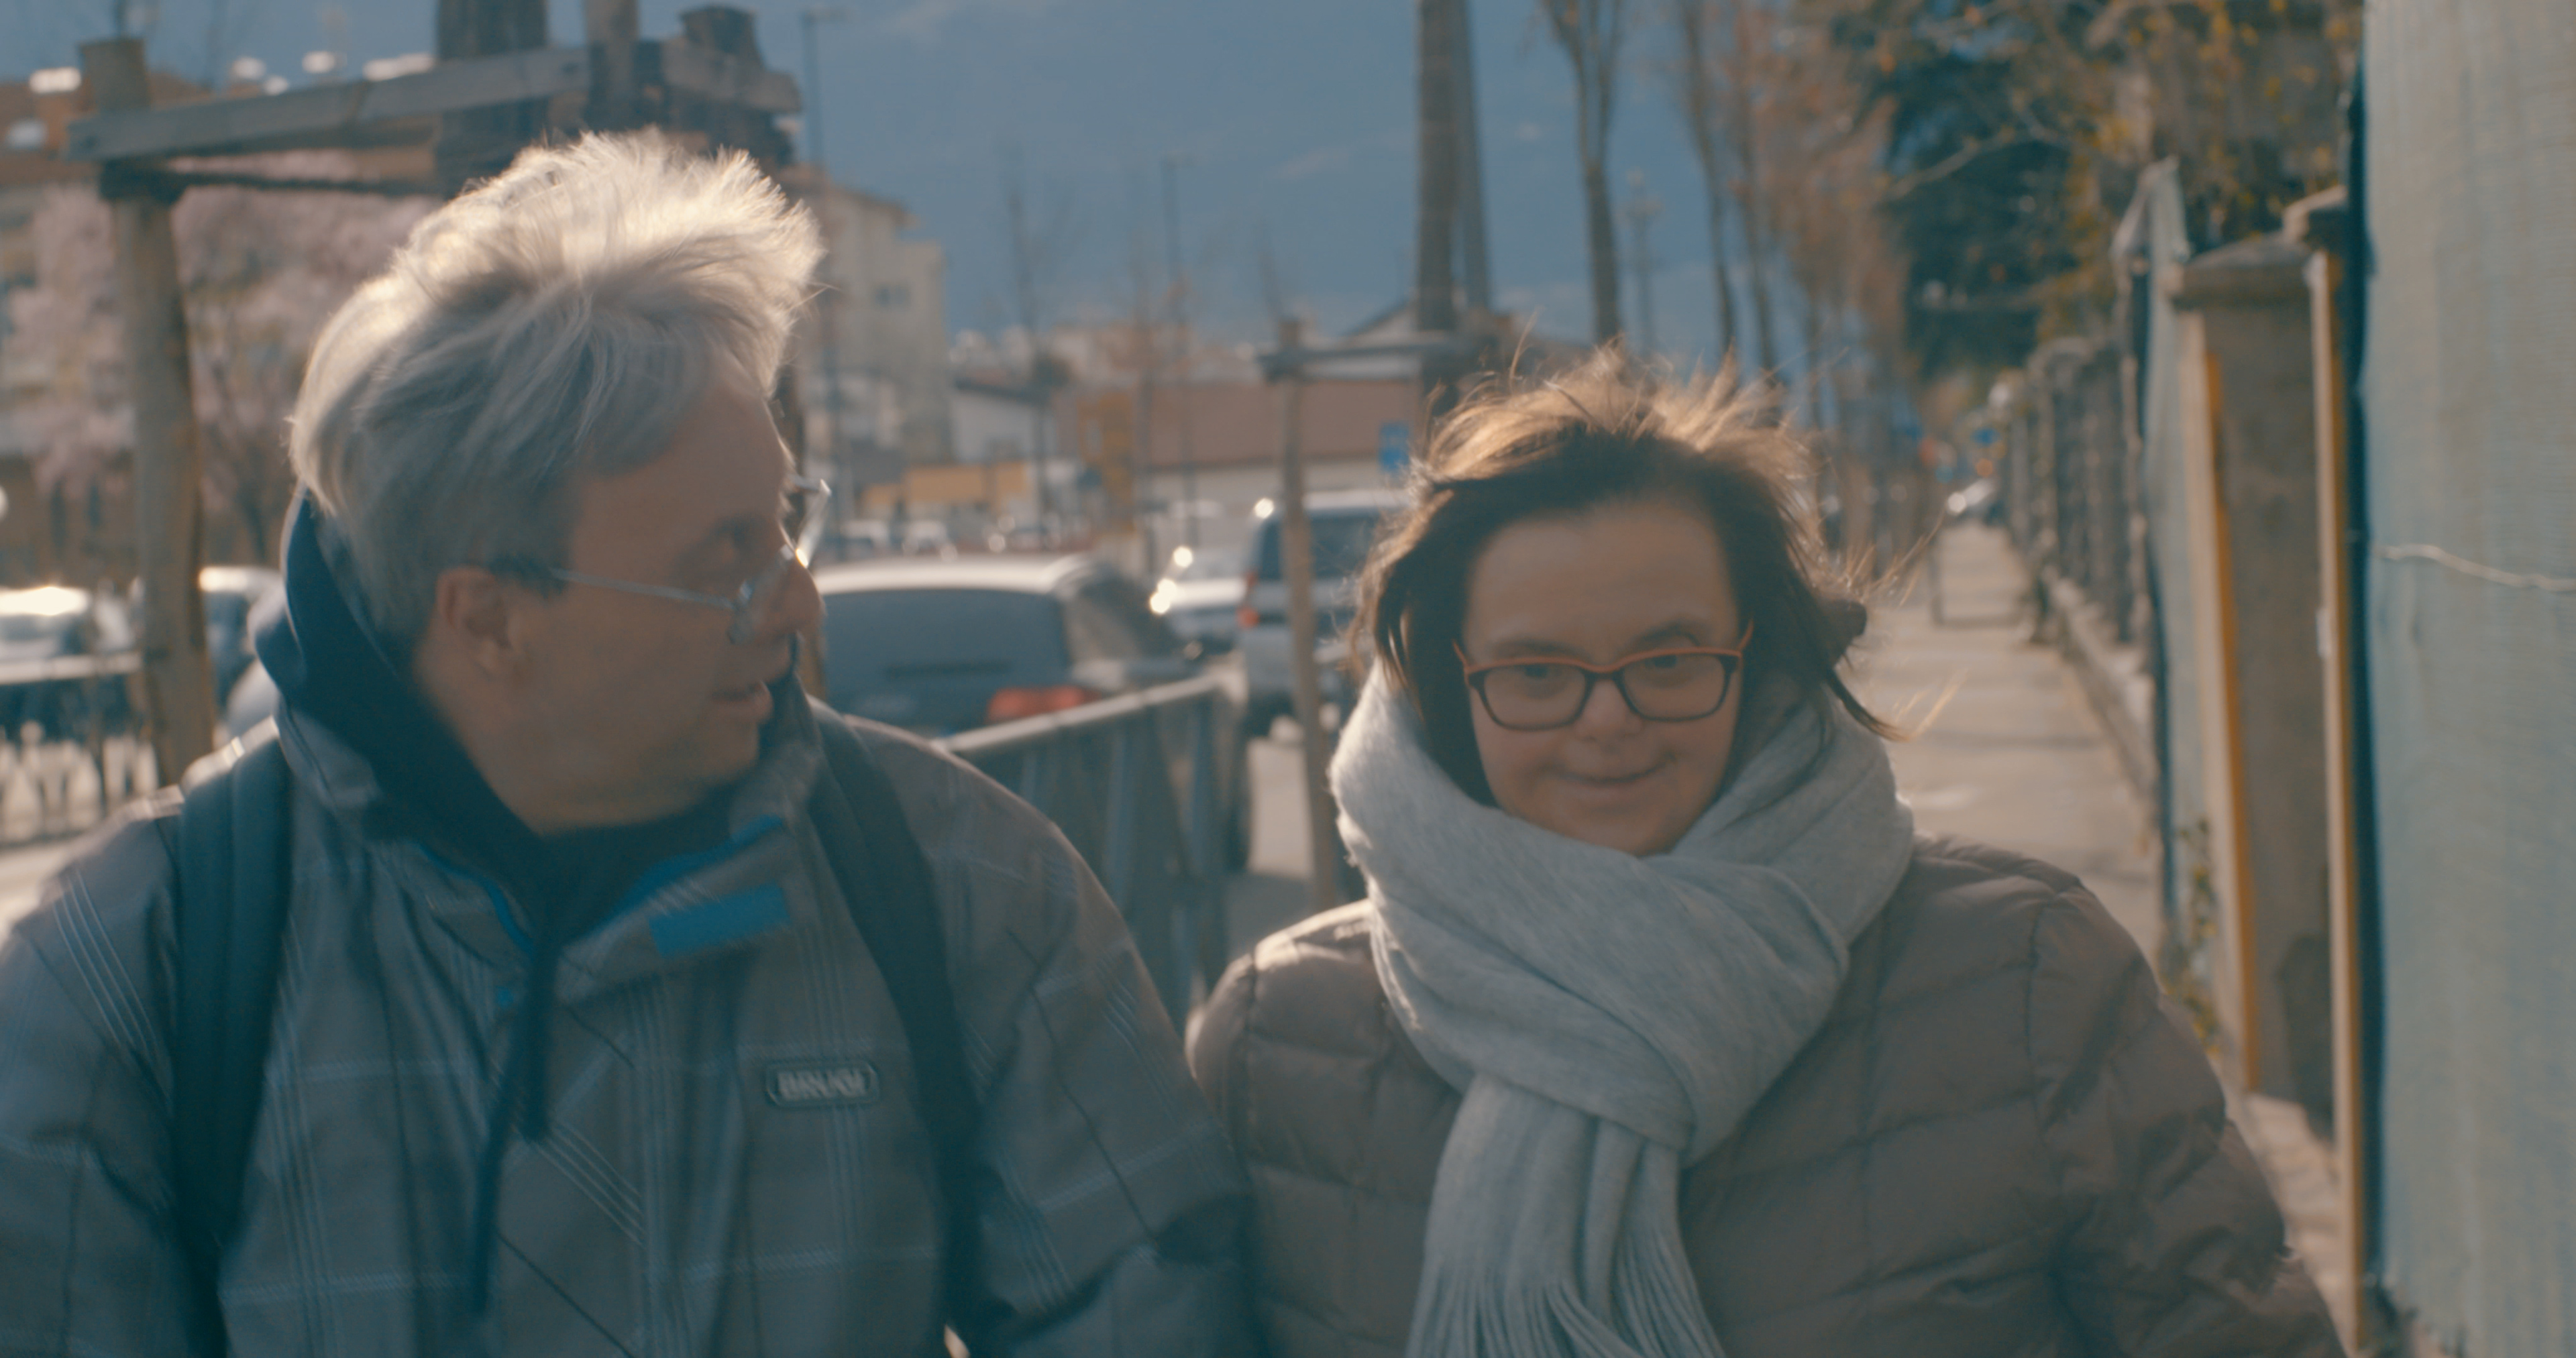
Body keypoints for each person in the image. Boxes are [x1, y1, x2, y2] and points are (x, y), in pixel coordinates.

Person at [0, 133, 1252, 1355]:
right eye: (725, 564)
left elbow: (1142, 1310)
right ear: (489, 616)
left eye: (786, 528)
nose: (799, 604)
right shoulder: (146, 963)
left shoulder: (951, 877)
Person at [1187, 351, 2343, 1357]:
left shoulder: (2027, 977)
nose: (1608, 719)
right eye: (1537, 673)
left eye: (1670, 659)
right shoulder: (1277, 1040)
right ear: (1449, 692)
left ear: (1763, 661)